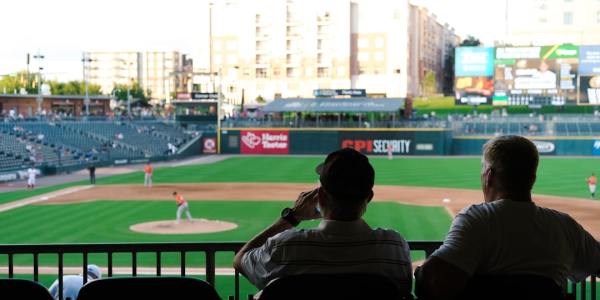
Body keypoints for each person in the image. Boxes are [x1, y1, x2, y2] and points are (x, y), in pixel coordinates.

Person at [415, 135, 600, 300]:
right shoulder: (565, 226)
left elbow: (431, 283)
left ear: (489, 176)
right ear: (532, 178)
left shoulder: (477, 218)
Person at [233, 148, 412, 294]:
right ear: (369, 197)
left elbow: (240, 260)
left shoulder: (285, 246)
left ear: (320, 196)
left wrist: (291, 218)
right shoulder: (394, 246)